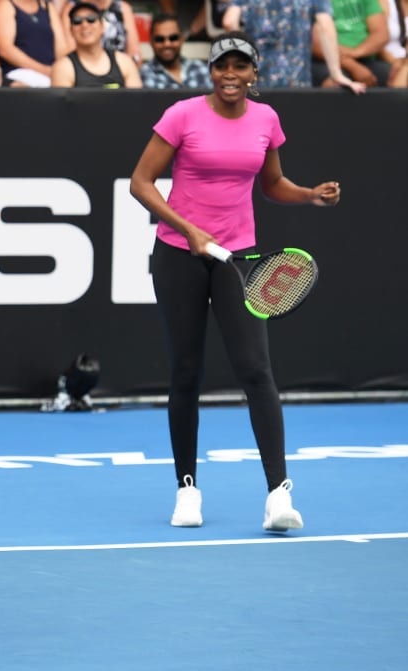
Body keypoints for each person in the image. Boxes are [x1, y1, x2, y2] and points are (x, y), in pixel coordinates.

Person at [129, 32, 344, 531]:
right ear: (211, 71)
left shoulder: (266, 120)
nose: (230, 73)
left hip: (238, 258)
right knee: (186, 372)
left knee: (256, 371)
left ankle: (278, 495)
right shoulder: (182, 115)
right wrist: (189, 230)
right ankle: (187, 490)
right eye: (221, 65)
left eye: (239, 66)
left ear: (253, 74)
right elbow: (141, 183)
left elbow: (271, 185)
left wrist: (310, 194)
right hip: (179, 255)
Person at [223, 0, 365, 92]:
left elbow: (229, 22)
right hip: (296, 82)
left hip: (257, 80)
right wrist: (336, 74)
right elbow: (325, 25)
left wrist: (242, 61)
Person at [51, 1, 141, 87]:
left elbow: (137, 100)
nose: (85, 25)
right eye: (77, 21)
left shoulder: (124, 63)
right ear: (71, 30)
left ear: (102, 27)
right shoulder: (63, 68)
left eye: (91, 19)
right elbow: (61, 102)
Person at [310, 0, 391, 87]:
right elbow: (315, 44)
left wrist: (354, 52)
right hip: (324, 61)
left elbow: (381, 35)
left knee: (397, 77)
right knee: (333, 85)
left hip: (364, 58)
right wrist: (353, 67)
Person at [0, 0, 69, 88]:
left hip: (51, 75)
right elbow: (5, 49)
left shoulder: (48, 7)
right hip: (19, 74)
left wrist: (60, 71)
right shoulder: (5, 5)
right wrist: (45, 70)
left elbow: (62, 49)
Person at [139, 11, 209, 88]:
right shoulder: (143, 75)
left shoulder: (200, 68)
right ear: (151, 41)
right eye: (160, 39)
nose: (167, 44)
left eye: (173, 38)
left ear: (182, 38)